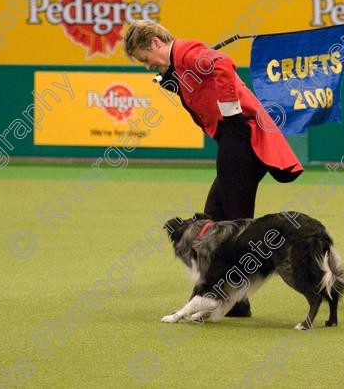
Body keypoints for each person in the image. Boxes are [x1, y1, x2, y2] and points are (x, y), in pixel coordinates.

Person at [124, 21, 304, 314]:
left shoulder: (188, 51)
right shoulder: (180, 62)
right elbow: (201, 90)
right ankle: (221, 294)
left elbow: (223, 64)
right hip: (234, 138)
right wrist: (172, 78)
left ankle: (236, 298)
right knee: (214, 217)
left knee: (233, 220)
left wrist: (230, 112)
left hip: (239, 135)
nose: (146, 66)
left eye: (145, 58)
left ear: (156, 42)